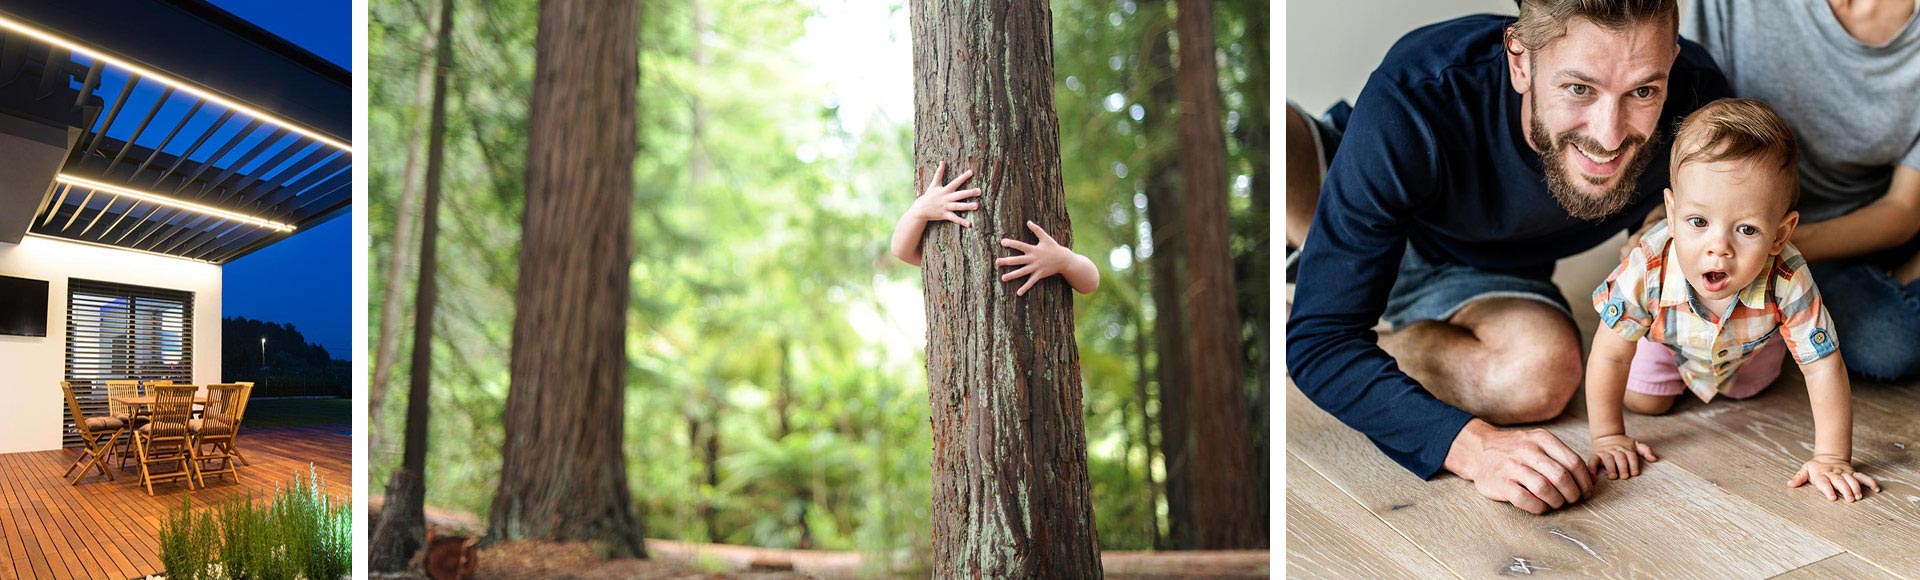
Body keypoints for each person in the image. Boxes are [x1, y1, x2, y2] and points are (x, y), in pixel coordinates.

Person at [1284, 0, 1731, 515]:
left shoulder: (1699, 106)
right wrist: (1477, 449)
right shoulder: (1417, 91)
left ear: (1670, 64)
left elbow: (1683, 232)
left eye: (1643, 91)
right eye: (1579, 88)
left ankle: (1339, 316)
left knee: (1540, 375)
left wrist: (1665, 243)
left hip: (1480, 277)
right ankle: (1311, 268)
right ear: (1520, 61)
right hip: (1338, 202)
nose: (1609, 136)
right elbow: (1322, 344)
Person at [1584, 98, 1879, 503]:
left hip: (1747, 348)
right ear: (1671, 213)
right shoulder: (1649, 267)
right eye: (1698, 222)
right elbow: (1610, 354)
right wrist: (1608, 435)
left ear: (1780, 233)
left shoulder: (1788, 277)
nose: (1718, 248)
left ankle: (1773, 344)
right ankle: (1676, 376)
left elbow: (1823, 367)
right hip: (1667, 340)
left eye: (1746, 229)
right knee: (1645, 401)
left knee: (1749, 390)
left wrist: (1831, 457)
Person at [1682, 0, 1920, 381]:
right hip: (1735, 227)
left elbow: (1903, 210)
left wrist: (1773, 249)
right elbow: (1691, 136)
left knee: (1887, 344)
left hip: (1853, 231)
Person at [891, 162, 1100, 296]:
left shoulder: (1051, 252)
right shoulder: (943, 255)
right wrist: (920, 210)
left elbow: (1090, 281)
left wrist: (1063, 259)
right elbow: (901, 250)